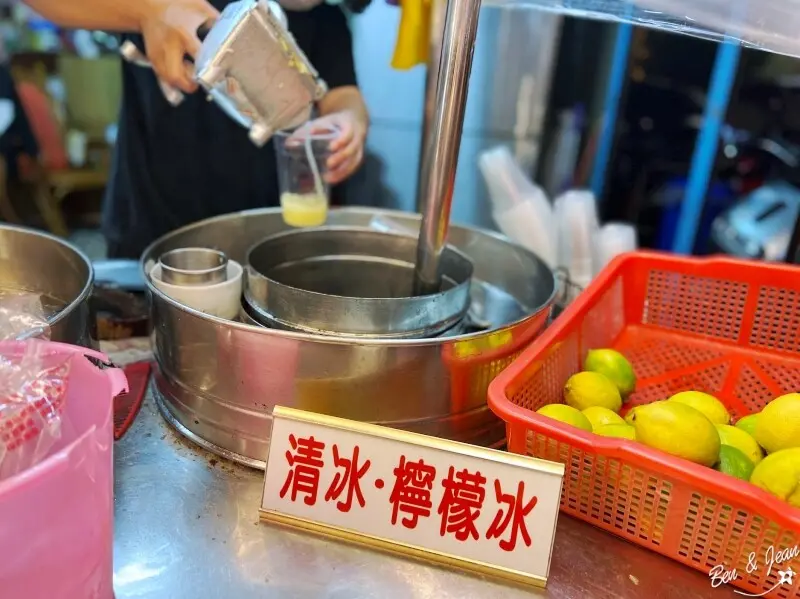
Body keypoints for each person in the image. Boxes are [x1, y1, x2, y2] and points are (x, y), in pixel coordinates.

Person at [24, 0, 369, 258]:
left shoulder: (325, 19)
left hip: (264, 238)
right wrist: (150, 11)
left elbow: (343, 97)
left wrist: (349, 121)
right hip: (152, 227)